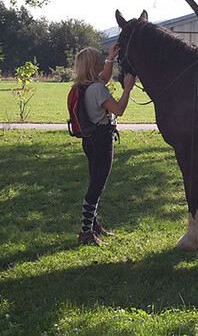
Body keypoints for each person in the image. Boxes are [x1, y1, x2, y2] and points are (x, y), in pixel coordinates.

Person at [73, 44, 136, 246]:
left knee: (95, 182)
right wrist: (127, 89)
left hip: (89, 139)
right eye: (99, 59)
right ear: (93, 65)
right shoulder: (98, 89)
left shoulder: (83, 86)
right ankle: (85, 233)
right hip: (102, 139)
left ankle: (92, 225)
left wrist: (110, 58)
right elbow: (118, 110)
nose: (102, 61)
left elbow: (104, 77)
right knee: (96, 187)